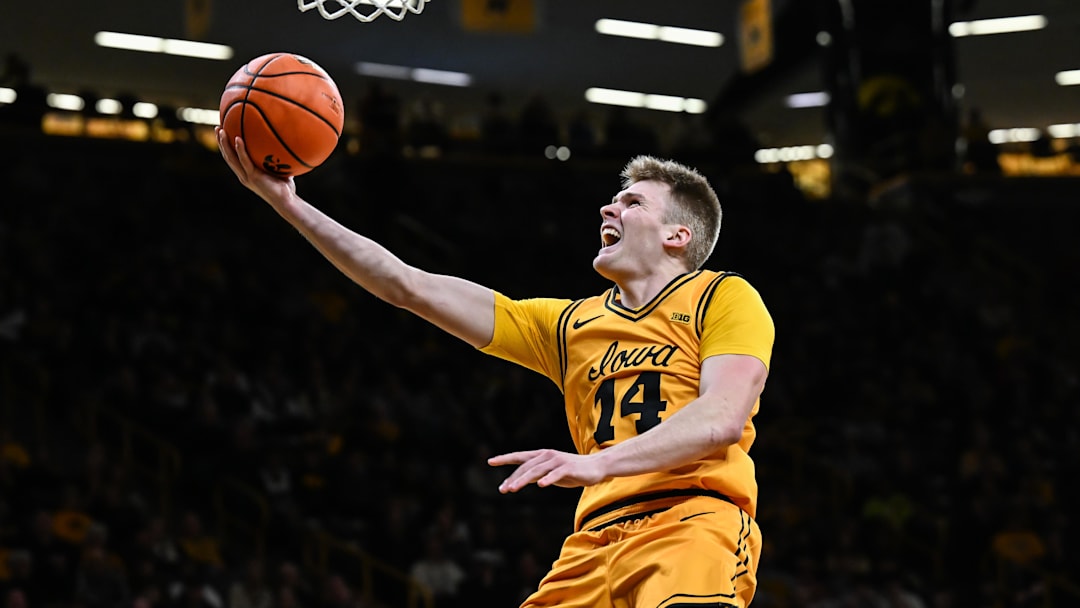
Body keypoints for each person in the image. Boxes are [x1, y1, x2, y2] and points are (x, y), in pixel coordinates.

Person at [216, 127, 775, 607]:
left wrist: (598, 465)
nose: (609, 208)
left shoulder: (721, 296)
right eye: (613, 199)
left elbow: (721, 417)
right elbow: (407, 285)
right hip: (593, 544)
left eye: (632, 203)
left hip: (692, 523)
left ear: (678, 235)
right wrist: (289, 205)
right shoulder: (566, 326)